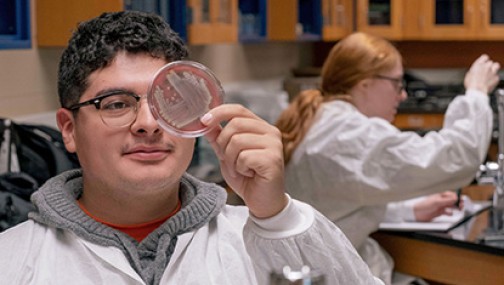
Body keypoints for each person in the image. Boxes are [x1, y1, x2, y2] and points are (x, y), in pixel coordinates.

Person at [0, 12, 384, 285]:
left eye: (169, 101)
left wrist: (276, 217)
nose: (149, 123)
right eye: (116, 103)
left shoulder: (258, 237)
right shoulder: (12, 261)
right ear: (68, 129)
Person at [275, 32, 500, 284]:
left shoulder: (324, 120)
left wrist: (408, 210)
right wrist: (477, 93)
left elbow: (337, 205)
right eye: (396, 83)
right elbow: (453, 157)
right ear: (365, 83)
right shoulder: (348, 135)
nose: (402, 95)